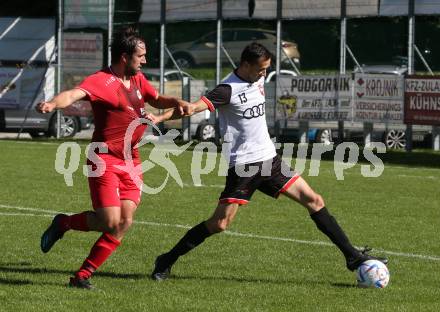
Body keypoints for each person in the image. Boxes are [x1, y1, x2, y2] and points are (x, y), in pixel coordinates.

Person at [151, 42, 388, 281]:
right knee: (220, 223)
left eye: (266, 69)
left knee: (314, 200)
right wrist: (162, 115)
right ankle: (166, 260)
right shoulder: (227, 89)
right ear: (245, 65)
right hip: (244, 166)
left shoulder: (258, 79)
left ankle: (353, 257)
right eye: (261, 69)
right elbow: (193, 108)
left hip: (269, 159)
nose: (264, 74)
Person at [37, 26, 190, 289]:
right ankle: (63, 222)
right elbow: (74, 94)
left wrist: (177, 101)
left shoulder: (138, 79)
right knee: (109, 221)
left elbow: (157, 99)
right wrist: (52, 104)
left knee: (124, 221)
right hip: (104, 160)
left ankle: (82, 276)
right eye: (140, 56)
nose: (144, 60)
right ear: (124, 57)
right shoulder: (101, 81)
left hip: (131, 160)